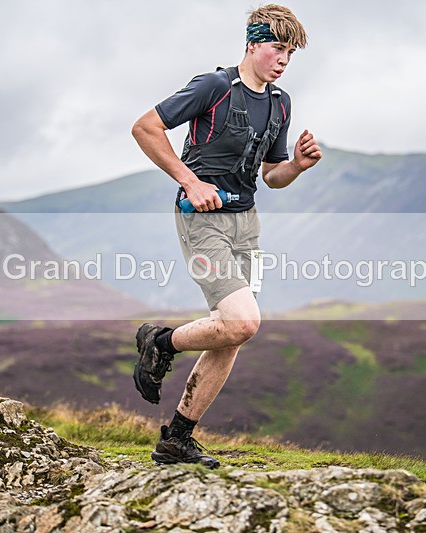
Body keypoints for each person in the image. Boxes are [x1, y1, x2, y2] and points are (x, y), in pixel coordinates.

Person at [130, 4, 321, 469]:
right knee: (243, 322)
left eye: (291, 54)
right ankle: (160, 341)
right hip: (202, 221)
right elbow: (145, 127)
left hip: (245, 224)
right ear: (253, 44)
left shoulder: (280, 103)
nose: (283, 60)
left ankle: (176, 439)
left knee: (230, 336)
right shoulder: (214, 87)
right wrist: (190, 182)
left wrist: (296, 165)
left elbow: (272, 176)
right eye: (278, 48)